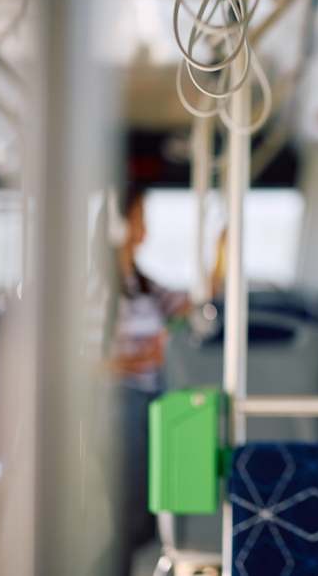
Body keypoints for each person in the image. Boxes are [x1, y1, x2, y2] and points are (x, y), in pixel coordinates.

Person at [107, 186, 191, 575]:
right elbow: (73, 361)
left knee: (141, 503)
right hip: (114, 403)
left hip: (148, 399)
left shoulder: (139, 281)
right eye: (141, 219)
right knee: (120, 506)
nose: (146, 230)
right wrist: (137, 358)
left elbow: (190, 303)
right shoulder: (94, 285)